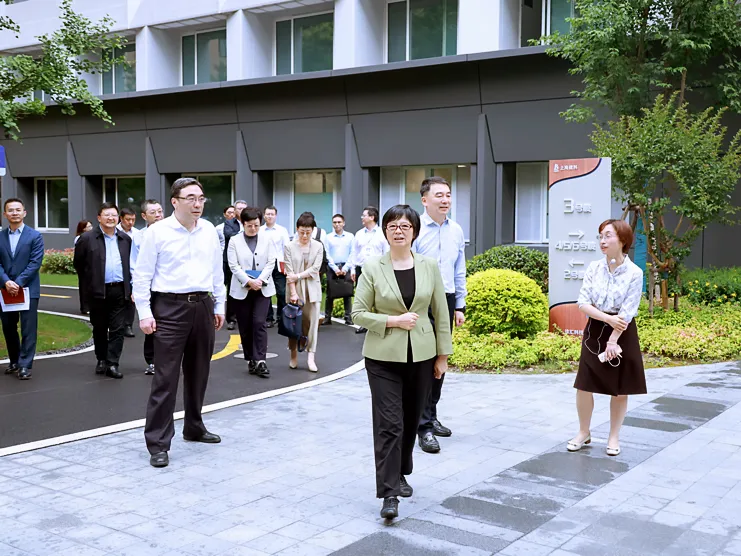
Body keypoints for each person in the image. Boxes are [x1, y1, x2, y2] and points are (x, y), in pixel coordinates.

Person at [352, 204, 452, 521]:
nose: (398, 231)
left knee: (409, 421)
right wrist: (393, 321)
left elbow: (441, 313)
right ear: (384, 231)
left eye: (405, 226)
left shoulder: (429, 266)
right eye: (392, 225)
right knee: (389, 424)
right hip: (382, 358)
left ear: (414, 232)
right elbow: (357, 314)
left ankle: (401, 470)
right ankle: (389, 493)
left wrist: (442, 356)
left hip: (421, 356)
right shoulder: (372, 267)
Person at [133, 178, 226, 469]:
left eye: (201, 198)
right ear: (175, 201)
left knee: (199, 372)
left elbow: (217, 270)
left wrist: (219, 305)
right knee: (166, 378)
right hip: (169, 307)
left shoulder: (208, 231)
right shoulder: (157, 232)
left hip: (203, 305)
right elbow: (142, 275)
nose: (197, 204)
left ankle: (194, 426)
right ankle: (158, 443)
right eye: (190, 198)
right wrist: (144, 312)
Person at [568, 219, 645, 457]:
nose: (602, 241)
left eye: (608, 236)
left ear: (622, 240)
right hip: (595, 329)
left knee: (620, 389)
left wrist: (613, 339)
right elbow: (583, 302)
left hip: (622, 332)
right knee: (584, 385)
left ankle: (613, 436)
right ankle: (583, 432)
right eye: (600, 236)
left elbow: (628, 312)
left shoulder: (635, 273)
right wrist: (606, 319)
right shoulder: (594, 268)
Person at [413, 176, 467, 455]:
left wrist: (460, 305)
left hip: (446, 300)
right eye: (439, 195)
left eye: (448, 195)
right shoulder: (415, 229)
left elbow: (459, 269)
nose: (445, 200)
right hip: (420, 302)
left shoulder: (456, 230)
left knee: (440, 360)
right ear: (425, 200)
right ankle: (422, 427)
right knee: (424, 363)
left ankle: (431, 415)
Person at [73, 202, 132, 380]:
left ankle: (113, 363)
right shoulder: (87, 239)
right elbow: (79, 265)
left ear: (118, 218)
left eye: (114, 215)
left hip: (119, 289)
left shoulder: (125, 239)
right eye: (107, 215)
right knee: (99, 327)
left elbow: (130, 265)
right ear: (99, 218)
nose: (110, 218)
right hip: (97, 291)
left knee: (118, 329)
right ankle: (101, 358)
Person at [227, 207, 277, 379]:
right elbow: (233, 265)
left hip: (263, 287)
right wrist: (248, 281)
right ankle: (250, 358)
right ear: (243, 224)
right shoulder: (234, 241)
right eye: (249, 226)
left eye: (256, 225)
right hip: (242, 288)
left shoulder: (267, 239)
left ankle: (261, 359)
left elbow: (271, 262)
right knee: (245, 325)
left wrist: (260, 280)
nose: (253, 228)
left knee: (259, 322)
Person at [0, 199, 44, 380]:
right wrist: (6, 281)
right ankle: (15, 360)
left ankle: (25, 365)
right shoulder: (0, 236)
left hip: (28, 289)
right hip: (5, 289)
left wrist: (17, 282)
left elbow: (35, 263)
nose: (14, 213)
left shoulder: (35, 236)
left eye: (18, 210)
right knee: (8, 327)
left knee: (28, 328)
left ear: (24, 213)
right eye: (10, 210)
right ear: (5, 214)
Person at [284, 212, 323, 372]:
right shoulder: (289, 246)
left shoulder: (318, 246)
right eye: (302, 232)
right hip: (295, 289)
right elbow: (289, 272)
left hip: (313, 289)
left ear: (313, 230)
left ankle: (311, 356)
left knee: (312, 324)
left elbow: (315, 269)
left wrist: (298, 276)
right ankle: (293, 353)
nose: (305, 236)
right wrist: (293, 292)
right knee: (294, 324)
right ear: (297, 229)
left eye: (308, 232)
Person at [130, 199, 164, 376]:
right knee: (151, 323)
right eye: (153, 212)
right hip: (148, 288)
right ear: (144, 216)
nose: (158, 215)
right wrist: (135, 289)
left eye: (160, 211)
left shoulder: (172, 231)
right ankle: (152, 360)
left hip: (168, 287)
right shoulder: (139, 237)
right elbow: (134, 264)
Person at [349, 206, 389, 334]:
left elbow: (386, 252)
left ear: (372, 217)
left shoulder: (382, 233)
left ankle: (379, 322)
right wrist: (352, 269)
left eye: (364, 215)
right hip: (361, 269)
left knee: (379, 296)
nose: (362, 217)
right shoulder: (359, 234)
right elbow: (354, 252)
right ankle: (364, 323)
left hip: (378, 269)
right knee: (363, 296)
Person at [321, 213, 354, 326]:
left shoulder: (350, 236)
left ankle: (348, 317)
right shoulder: (328, 237)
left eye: (339, 222)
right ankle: (327, 317)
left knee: (347, 292)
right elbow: (327, 253)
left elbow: (352, 253)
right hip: (332, 267)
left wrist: (346, 268)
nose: (337, 224)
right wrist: (335, 268)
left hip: (346, 266)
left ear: (343, 223)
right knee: (330, 293)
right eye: (335, 222)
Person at [262, 205, 290, 329]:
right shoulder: (260, 230)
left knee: (282, 292)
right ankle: (269, 318)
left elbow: (287, 248)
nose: (270, 216)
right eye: (267, 214)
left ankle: (281, 317)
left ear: (276, 216)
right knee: (266, 293)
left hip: (279, 265)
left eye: (272, 214)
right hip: (265, 265)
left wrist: (287, 266)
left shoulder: (282, 230)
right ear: (264, 215)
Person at [223, 200, 248, 331]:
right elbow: (229, 235)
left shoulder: (250, 221)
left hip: (247, 261)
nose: (241, 210)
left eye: (244, 208)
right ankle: (231, 319)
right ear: (235, 210)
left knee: (248, 288)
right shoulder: (229, 223)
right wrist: (245, 233)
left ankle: (244, 317)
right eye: (239, 208)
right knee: (232, 290)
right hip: (232, 261)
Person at [117, 208, 138, 338]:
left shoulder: (137, 234)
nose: (130, 222)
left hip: (132, 269)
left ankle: (128, 325)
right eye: (128, 219)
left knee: (131, 298)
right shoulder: (114, 232)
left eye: (133, 220)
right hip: (119, 269)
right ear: (121, 219)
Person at [74, 220, 93, 314]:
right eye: (88, 227)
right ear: (83, 229)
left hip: (90, 266)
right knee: (84, 287)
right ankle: (85, 307)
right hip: (84, 267)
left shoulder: (91, 237)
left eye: (91, 226)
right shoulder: (80, 238)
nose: (91, 228)